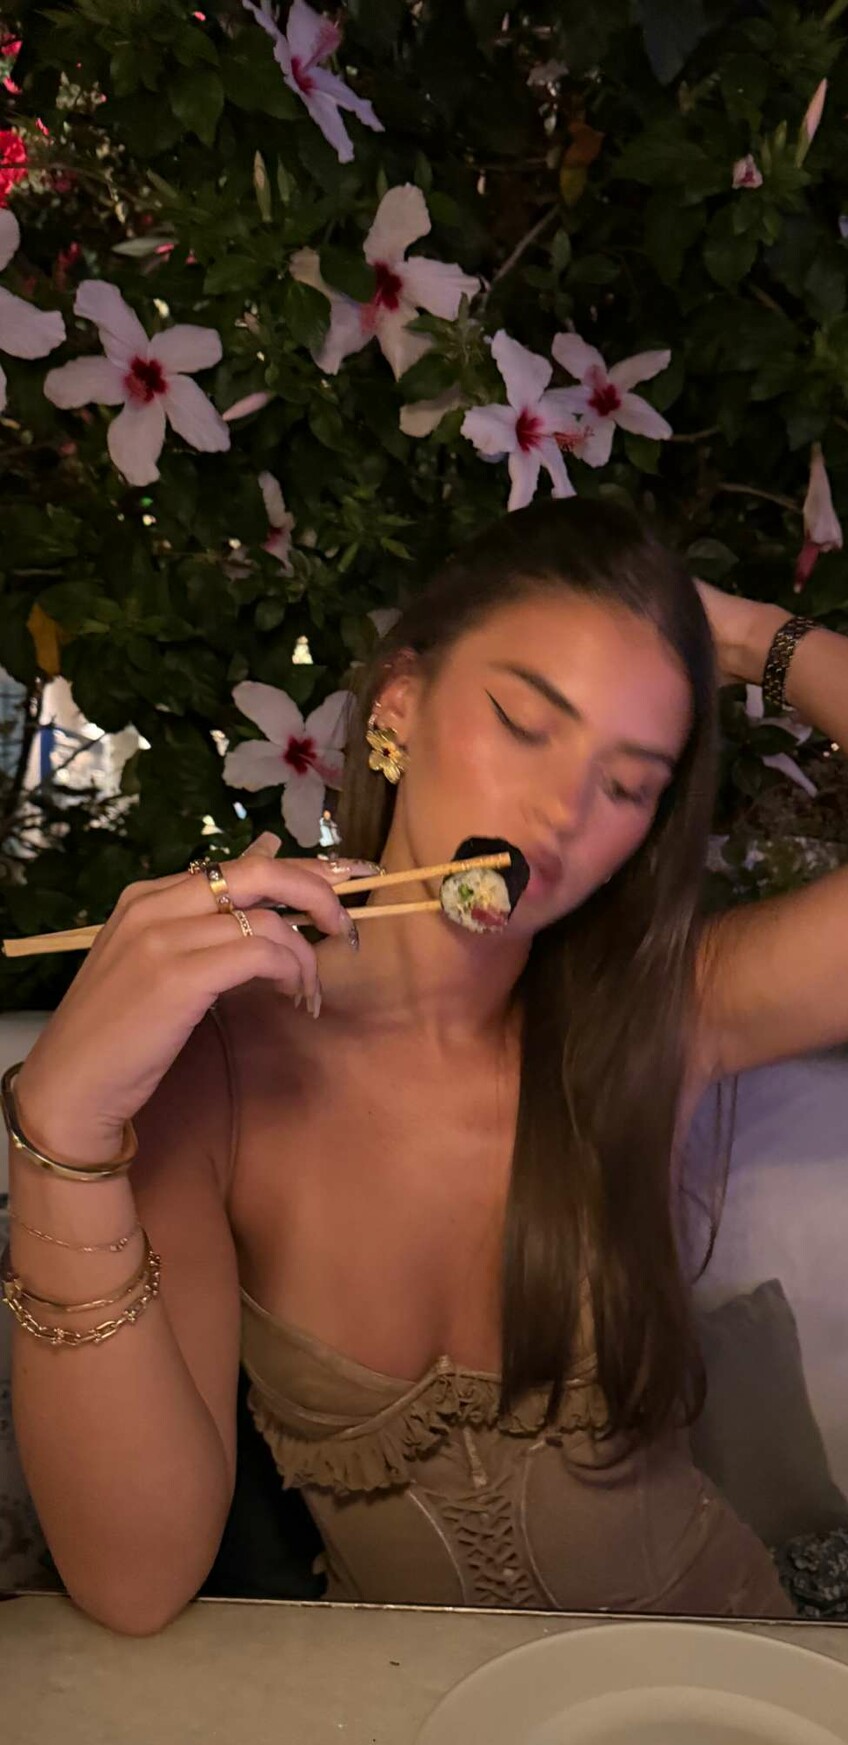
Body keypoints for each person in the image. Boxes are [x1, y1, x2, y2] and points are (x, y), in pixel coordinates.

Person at [4, 496, 801, 1630]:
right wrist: (61, 1132)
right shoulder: (219, 1067)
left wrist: (748, 638)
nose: (561, 813)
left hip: (724, 1662)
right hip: (395, 1711)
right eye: (524, 721)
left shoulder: (657, 1016)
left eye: (627, 784)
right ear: (400, 705)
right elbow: (134, 1583)